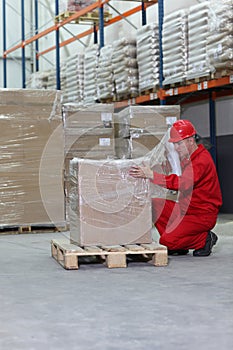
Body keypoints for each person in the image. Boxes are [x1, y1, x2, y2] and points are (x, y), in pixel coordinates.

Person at [129, 119, 222, 257]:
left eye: (179, 143)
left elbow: (183, 183)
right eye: (175, 144)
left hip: (201, 215)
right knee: (155, 203)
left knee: (167, 241)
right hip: (186, 209)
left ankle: (205, 239)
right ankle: (180, 243)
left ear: (190, 140)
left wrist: (152, 175)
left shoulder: (201, 161)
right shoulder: (188, 157)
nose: (176, 148)